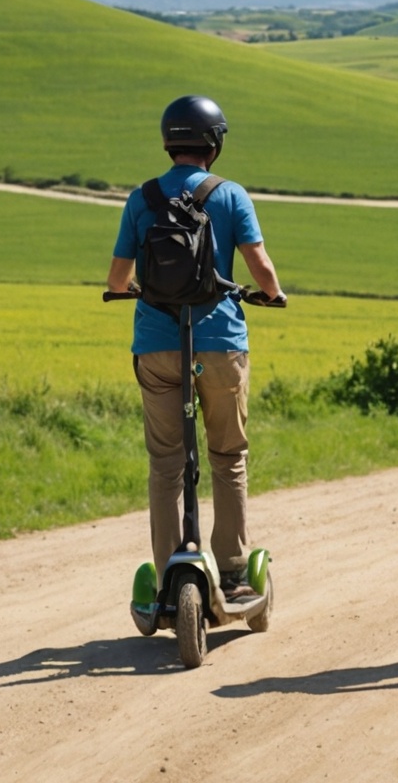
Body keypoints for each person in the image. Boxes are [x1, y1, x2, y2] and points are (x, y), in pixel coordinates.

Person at [109, 95, 285, 602]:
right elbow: (261, 268)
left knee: (166, 461)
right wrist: (272, 295)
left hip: (158, 346)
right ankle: (231, 571)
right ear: (214, 143)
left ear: (169, 141)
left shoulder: (141, 198)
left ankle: (169, 573)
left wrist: (132, 291)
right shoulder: (230, 195)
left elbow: (118, 278)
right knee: (228, 455)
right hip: (220, 345)